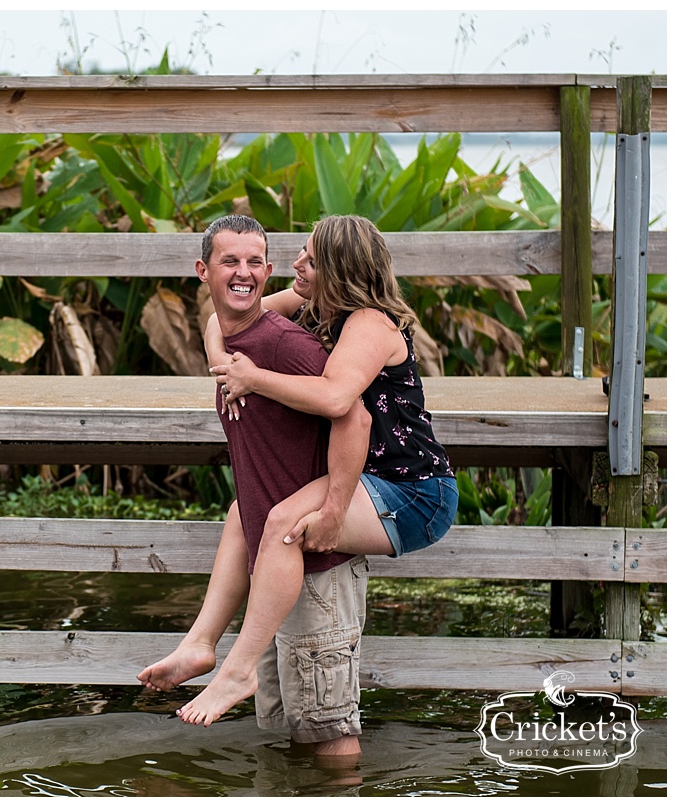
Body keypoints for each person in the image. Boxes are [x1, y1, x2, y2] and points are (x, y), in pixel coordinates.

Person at [145, 214, 459, 742]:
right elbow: (229, 316)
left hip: (413, 490)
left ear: (338, 271)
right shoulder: (315, 304)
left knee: (285, 520)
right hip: (371, 474)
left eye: (310, 259)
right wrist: (221, 361)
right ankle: (201, 642)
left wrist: (254, 379)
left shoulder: (369, 324)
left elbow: (342, 403)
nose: (296, 264)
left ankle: (239, 668)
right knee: (246, 509)